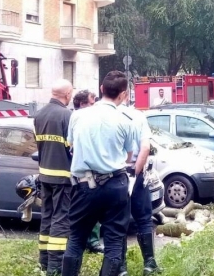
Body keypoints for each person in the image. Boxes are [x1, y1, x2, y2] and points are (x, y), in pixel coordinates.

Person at [62, 71, 143, 276]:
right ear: (123, 94)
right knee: (114, 242)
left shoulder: (78, 115)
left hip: (84, 185)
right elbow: (128, 156)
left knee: (77, 238)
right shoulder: (126, 120)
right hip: (115, 185)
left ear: (101, 89)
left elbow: (71, 145)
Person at [33, 80, 75, 276]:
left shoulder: (39, 115)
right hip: (63, 176)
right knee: (61, 218)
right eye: (71, 93)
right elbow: (72, 148)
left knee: (47, 216)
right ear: (66, 94)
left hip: (44, 175)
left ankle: (43, 260)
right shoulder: (67, 115)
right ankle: (55, 266)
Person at [118, 103, 161, 275]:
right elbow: (145, 147)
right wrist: (134, 174)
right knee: (144, 218)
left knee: (117, 222)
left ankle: (121, 268)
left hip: (114, 176)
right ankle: (149, 264)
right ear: (124, 94)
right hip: (135, 174)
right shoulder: (136, 116)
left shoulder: (99, 114)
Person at [71, 89, 106, 255]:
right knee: (86, 211)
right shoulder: (77, 118)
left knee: (91, 211)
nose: (95, 105)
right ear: (82, 104)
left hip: (88, 175)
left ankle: (88, 241)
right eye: (92, 103)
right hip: (83, 175)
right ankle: (89, 241)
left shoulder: (92, 118)